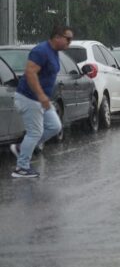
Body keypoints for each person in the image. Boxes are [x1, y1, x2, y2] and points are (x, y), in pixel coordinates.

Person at [9, 25, 72, 179]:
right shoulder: (41, 51)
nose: (69, 43)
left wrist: (43, 97)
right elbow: (30, 73)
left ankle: (21, 148)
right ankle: (21, 167)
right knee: (35, 132)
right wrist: (41, 95)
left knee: (55, 126)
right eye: (67, 39)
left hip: (41, 99)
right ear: (57, 36)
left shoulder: (54, 52)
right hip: (29, 98)